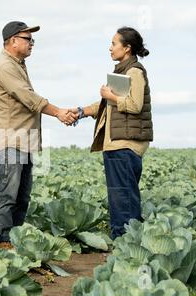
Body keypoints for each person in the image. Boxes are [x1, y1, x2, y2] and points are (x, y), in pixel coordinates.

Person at [0, 21, 76, 249]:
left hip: (23, 142)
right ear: (13, 41)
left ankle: (14, 239)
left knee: (22, 196)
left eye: (32, 40)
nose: (31, 44)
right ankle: (2, 240)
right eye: (28, 39)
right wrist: (58, 112)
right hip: (11, 142)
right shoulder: (5, 66)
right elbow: (28, 97)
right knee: (7, 193)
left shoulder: (18, 64)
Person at [71, 26, 153, 239]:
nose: (110, 48)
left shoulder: (134, 71)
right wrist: (81, 112)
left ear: (127, 48)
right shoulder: (123, 71)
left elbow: (134, 105)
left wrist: (111, 95)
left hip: (124, 144)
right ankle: (130, 242)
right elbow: (105, 104)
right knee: (126, 196)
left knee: (122, 197)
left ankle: (123, 242)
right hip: (118, 143)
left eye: (114, 43)